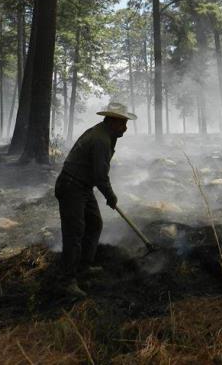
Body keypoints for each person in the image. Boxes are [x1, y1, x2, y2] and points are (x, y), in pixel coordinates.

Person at [54, 102, 137, 298]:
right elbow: (100, 175)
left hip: (83, 186)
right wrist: (110, 196)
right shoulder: (100, 139)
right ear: (113, 121)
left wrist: (107, 194)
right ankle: (67, 280)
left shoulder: (105, 133)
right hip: (71, 187)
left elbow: (97, 174)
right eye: (123, 123)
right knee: (74, 233)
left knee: (94, 224)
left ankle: (84, 266)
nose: (125, 127)